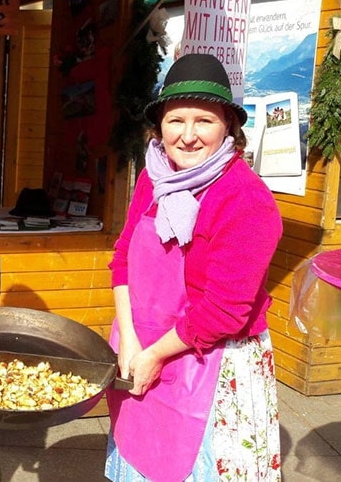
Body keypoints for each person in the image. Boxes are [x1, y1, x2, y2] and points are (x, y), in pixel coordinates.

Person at [105, 54, 283, 481]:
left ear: (228, 128)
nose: (187, 136)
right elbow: (122, 257)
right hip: (142, 349)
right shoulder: (153, 176)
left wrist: (154, 354)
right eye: (175, 120)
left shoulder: (246, 200)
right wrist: (129, 341)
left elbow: (224, 311)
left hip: (212, 363)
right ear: (159, 126)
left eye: (203, 121)